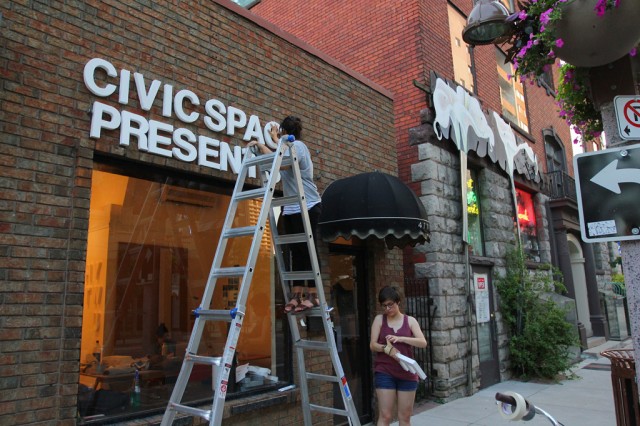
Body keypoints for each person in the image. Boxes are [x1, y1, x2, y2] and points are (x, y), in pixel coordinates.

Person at [246, 116, 322, 313]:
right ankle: (297, 295)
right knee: (295, 251)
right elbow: (279, 152)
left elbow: (281, 162)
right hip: (291, 207)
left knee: (308, 249)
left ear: (285, 133)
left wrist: (262, 145)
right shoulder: (286, 145)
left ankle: (314, 296)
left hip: (308, 205)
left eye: (280, 133)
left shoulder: (299, 147)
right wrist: (275, 137)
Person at [369, 286, 427, 426]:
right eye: (384, 306)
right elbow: (373, 345)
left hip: (407, 373)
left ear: (398, 302)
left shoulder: (410, 321)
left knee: (405, 417)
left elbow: (422, 342)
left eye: (390, 304)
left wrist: (401, 338)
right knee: (386, 416)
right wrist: (387, 349)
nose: (387, 309)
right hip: (385, 371)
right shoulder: (379, 320)